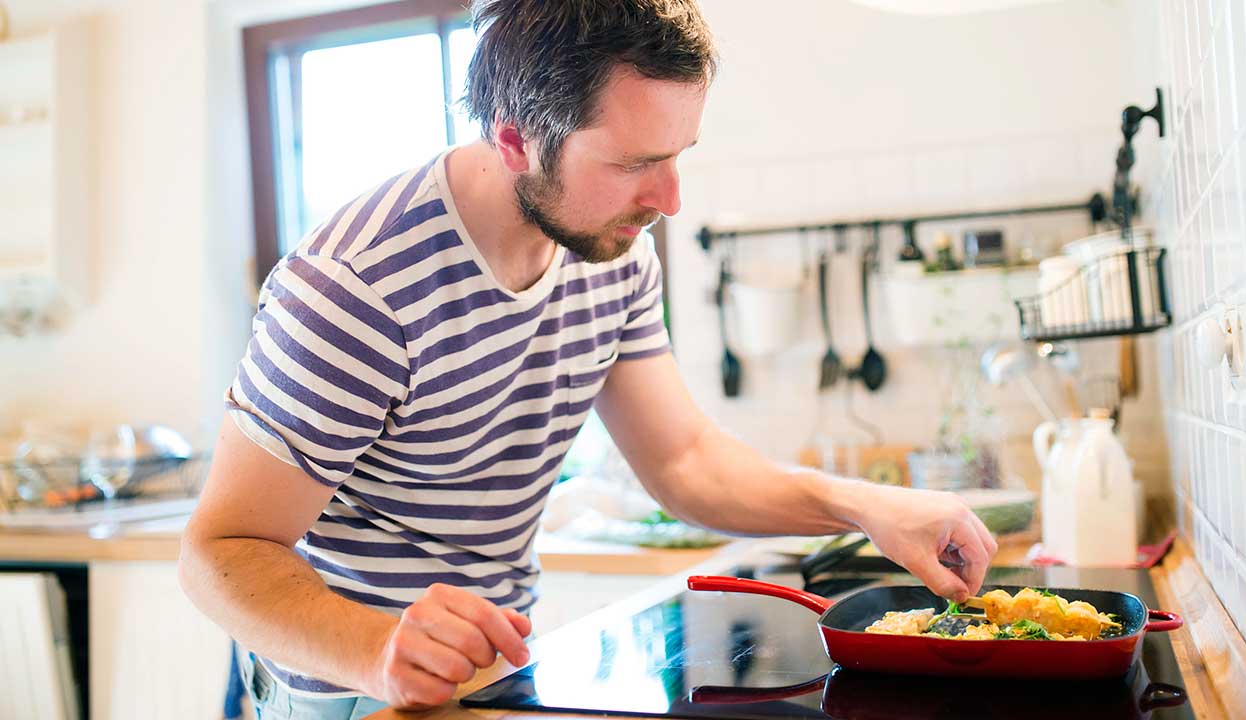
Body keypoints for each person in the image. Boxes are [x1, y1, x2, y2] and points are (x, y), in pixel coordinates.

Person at [179, 0, 997, 716]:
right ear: (514, 140)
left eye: (678, 153)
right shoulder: (356, 289)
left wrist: (866, 507)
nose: (669, 200)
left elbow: (684, 462)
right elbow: (217, 554)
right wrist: (377, 649)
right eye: (635, 164)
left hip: (495, 675)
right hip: (350, 691)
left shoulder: (610, 248)